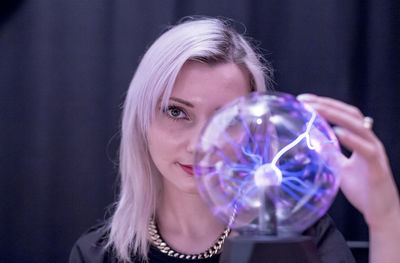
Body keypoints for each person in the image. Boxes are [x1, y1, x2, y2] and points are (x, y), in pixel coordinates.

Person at [69, 17, 400, 263]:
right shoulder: (97, 254)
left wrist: (385, 218)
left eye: (227, 120)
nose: (200, 145)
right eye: (175, 111)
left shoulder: (303, 240)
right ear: (141, 119)